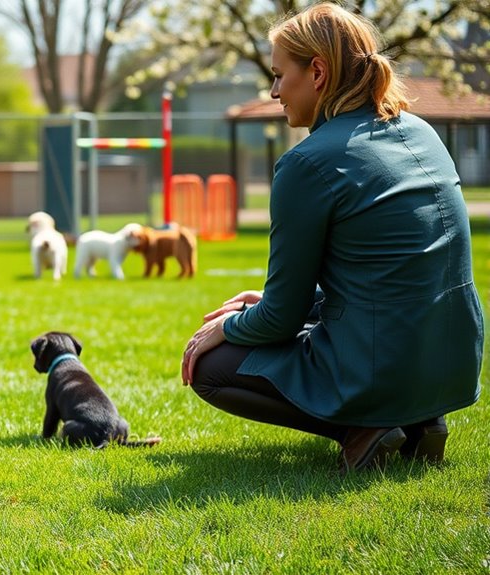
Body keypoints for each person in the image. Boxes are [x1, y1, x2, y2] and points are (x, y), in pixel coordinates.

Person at [180, 2, 483, 472]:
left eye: (280, 75)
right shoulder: (422, 133)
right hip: (453, 362)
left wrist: (227, 326)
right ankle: (422, 418)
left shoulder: (308, 163)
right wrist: (271, 303)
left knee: (209, 366)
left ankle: (364, 426)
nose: (275, 90)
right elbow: (387, 271)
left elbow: (279, 320)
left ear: (318, 72)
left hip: (381, 364)